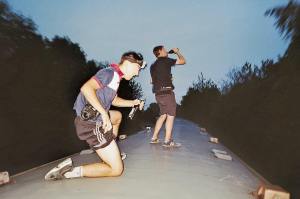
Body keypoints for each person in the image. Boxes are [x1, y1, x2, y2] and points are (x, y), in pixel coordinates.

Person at [45, 51, 146, 180]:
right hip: (92, 125)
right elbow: (86, 88)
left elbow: (114, 100)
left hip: (95, 118)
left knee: (117, 116)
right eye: (137, 69)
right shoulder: (109, 73)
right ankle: (69, 171)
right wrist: (104, 114)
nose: (137, 74)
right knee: (116, 169)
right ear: (128, 63)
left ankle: (111, 148)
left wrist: (133, 103)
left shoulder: (116, 78)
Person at [149, 45, 186, 147]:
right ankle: (167, 141)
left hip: (158, 94)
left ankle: (154, 138)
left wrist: (167, 78)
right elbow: (183, 61)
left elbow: (152, 81)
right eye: (164, 49)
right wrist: (177, 52)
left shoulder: (152, 66)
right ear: (160, 51)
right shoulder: (165, 60)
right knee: (170, 116)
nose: (166, 51)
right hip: (167, 93)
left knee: (163, 115)